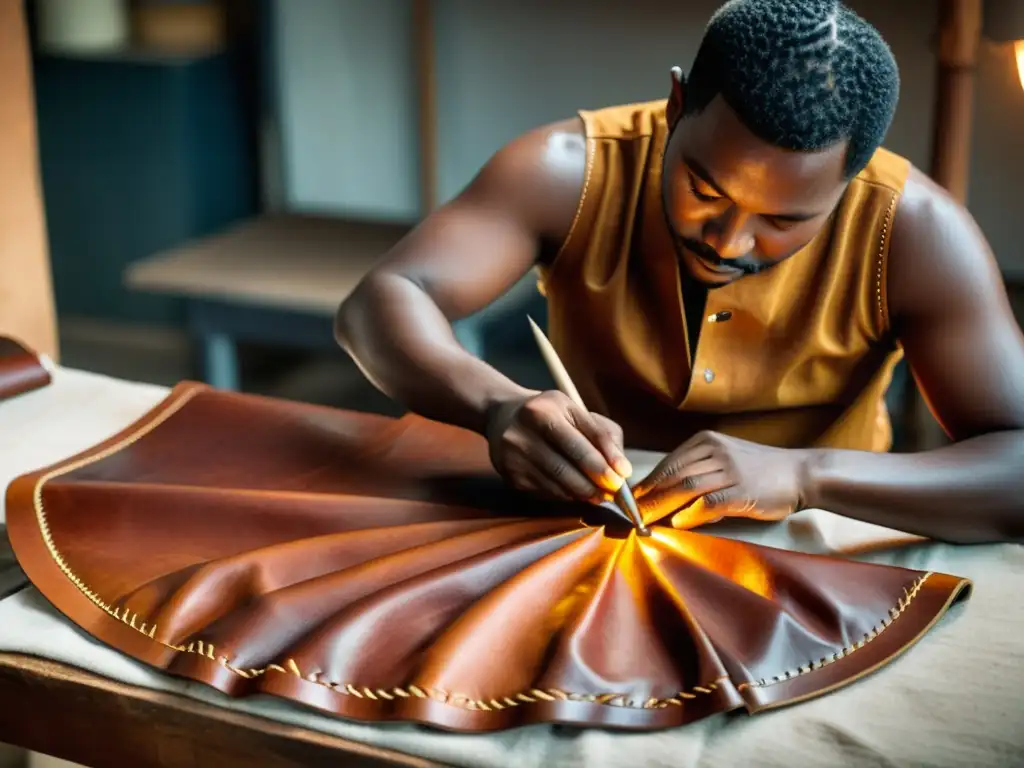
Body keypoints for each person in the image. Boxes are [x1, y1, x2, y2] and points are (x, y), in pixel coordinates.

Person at [335, 0, 1024, 544]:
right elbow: (381, 301)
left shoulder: (914, 231)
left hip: (821, 545)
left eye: (784, 220)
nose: (729, 240)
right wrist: (495, 406)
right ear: (675, 106)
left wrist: (805, 474)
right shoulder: (568, 171)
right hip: (589, 530)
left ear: (849, 180)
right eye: (706, 188)